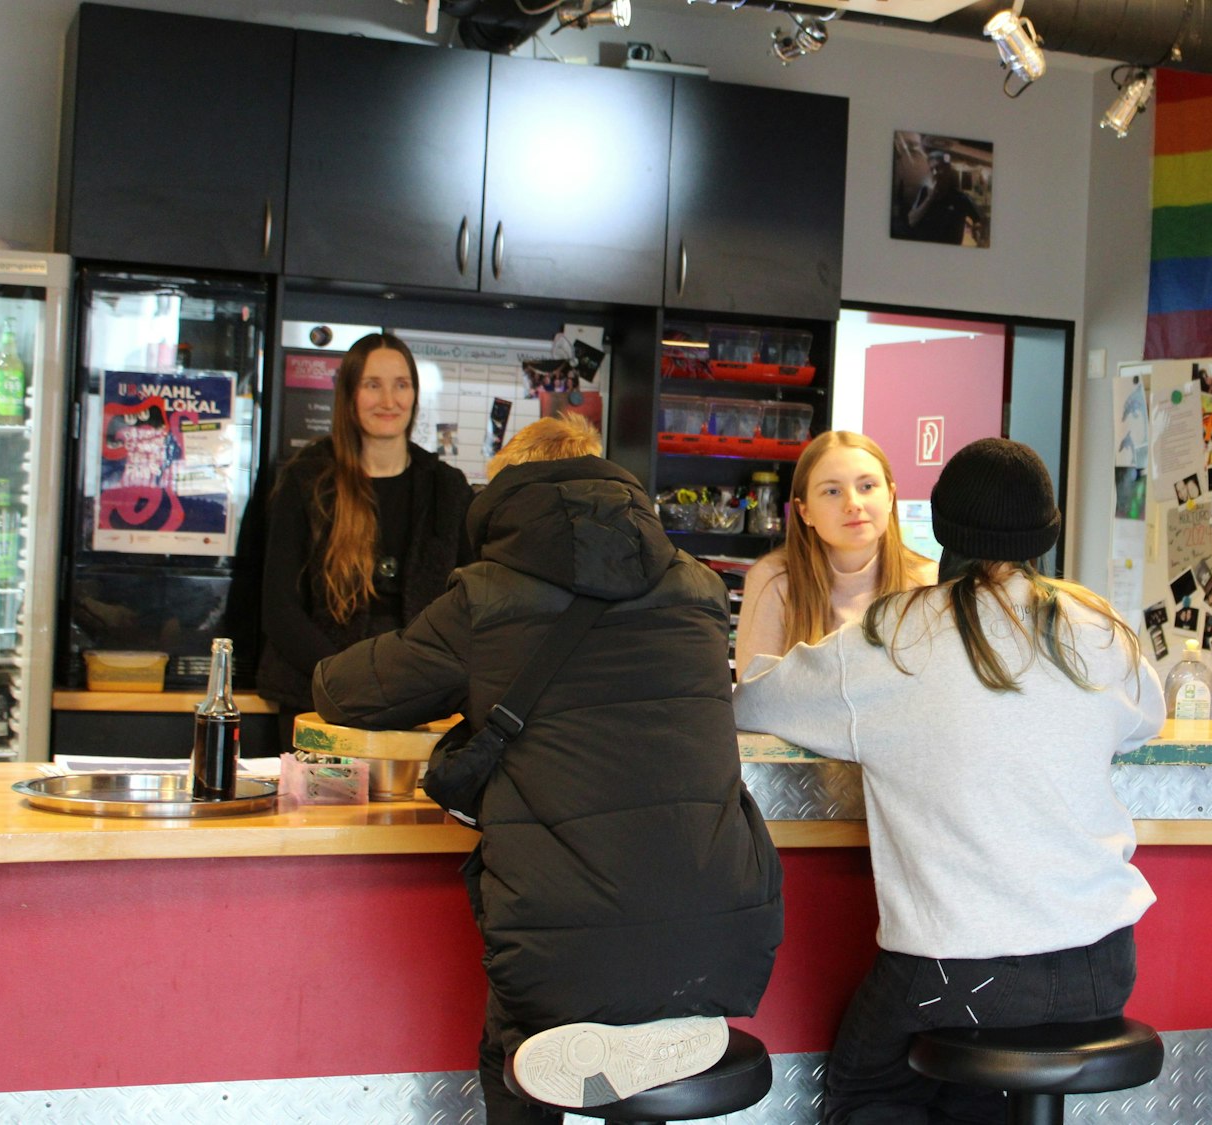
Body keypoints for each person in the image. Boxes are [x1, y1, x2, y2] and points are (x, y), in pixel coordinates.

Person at [311, 413, 783, 1123]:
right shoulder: (701, 588)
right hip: (724, 930)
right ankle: (652, 1022)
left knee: (512, 1048)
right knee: (620, 1009)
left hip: (563, 943)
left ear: (504, 497)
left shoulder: (486, 596)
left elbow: (344, 692)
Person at [734, 438, 1164, 1125]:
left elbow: (752, 702)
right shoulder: (1097, 625)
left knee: (869, 1091)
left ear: (936, 527)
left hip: (956, 966)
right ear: (1047, 531)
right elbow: (1149, 716)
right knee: (970, 1088)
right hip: (1102, 965)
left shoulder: (891, 636)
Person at [249, 333, 473, 730]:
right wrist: (349, 680)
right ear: (349, 395)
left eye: (401, 385)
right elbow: (279, 610)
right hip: (317, 699)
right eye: (373, 385)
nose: (389, 401)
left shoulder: (447, 487)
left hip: (421, 703)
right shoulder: (306, 480)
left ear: (415, 395)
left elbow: (468, 602)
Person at [736, 431, 936, 674]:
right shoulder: (773, 579)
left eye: (867, 486)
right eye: (832, 491)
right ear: (804, 511)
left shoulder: (930, 582)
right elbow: (757, 698)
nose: (853, 504)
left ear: (890, 497)